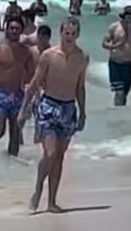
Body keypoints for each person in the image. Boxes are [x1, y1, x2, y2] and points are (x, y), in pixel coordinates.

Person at [19, 18, 89, 212]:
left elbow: (80, 88)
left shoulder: (82, 57)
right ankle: (38, 188)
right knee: (49, 154)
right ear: (61, 33)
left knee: (59, 156)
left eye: (73, 34)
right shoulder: (49, 55)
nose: (70, 37)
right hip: (48, 106)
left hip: (69, 108)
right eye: (67, 33)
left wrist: (83, 112)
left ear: (78, 35)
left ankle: (51, 202)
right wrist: (24, 110)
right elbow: (34, 83)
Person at [0, 17, 34, 160]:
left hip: (17, 96)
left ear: (21, 31)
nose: (14, 31)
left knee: (15, 134)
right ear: (7, 30)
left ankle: (11, 169)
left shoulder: (27, 52)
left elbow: (32, 76)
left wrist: (29, 100)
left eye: (17, 28)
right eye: (12, 28)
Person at [102, 5, 131, 106]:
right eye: (128, 14)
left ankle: (120, 113)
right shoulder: (114, 27)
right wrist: (115, 46)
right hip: (115, 63)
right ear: (124, 15)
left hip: (129, 65)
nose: (130, 17)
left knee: (124, 92)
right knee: (119, 91)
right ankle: (117, 112)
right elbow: (104, 44)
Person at [20, 25, 54, 145]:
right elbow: (23, 69)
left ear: (49, 38)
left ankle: (36, 146)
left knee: (40, 122)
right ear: (37, 37)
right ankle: (19, 145)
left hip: (44, 90)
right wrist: (22, 84)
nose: (43, 41)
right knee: (21, 119)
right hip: (29, 87)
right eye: (41, 37)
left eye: (46, 38)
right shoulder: (31, 51)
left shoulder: (52, 53)